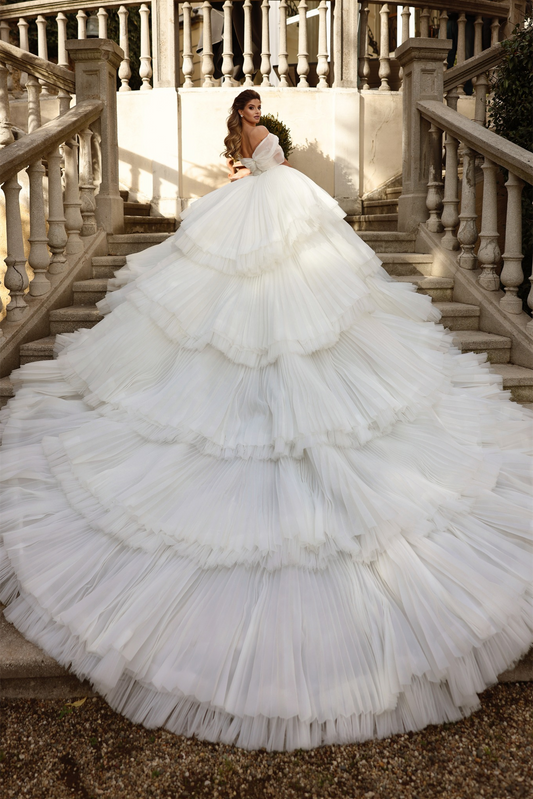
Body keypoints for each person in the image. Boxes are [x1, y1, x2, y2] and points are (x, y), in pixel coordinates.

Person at [0, 89, 532, 753]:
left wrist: (260, 170)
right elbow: (261, 173)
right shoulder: (256, 146)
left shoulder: (254, 144)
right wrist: (261, 168)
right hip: (265, 212)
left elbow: (258, 173)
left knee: (301, 302)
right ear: (243, 116)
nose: (254, 115)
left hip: (271, 213)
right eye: (248, 109)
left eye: (256, 109)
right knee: (251, 303)